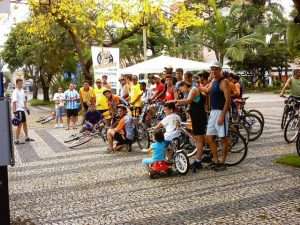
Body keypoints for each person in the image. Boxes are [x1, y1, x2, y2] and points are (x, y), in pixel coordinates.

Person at [174, 81, 207, 172]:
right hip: (196, 117)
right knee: (198, 139)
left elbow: (188, 101)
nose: (181, 91)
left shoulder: (193, 89)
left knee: (199, 140)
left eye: (180, 89)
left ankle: (198, 161)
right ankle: (200, 158)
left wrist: (175, 101)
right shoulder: (191, 90)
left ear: (184, 85)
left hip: (198, 117)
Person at [206, 62, 231, 171]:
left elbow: (228, 100)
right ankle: (215, 159)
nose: (213, 71)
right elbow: (207, 91)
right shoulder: (213, 81)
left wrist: (222, 115)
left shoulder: (224, 82)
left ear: (220, 69)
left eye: (215, 69)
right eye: (212, 69)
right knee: (209, 137)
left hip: (221, 112)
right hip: (213, 112)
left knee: (223, 138)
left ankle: (223, 161)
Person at [12, 78, 34, 144]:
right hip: (18, 110)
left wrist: (26, 108)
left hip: (22, 110)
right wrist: (14, 112)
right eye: (20, 83)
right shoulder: (15, 91)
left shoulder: (22, 91)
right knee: (19, 125)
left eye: (22, 83)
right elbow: (14, 102)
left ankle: (27, 137)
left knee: (25, 124)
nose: (21, 84)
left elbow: (24, 101)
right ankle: (16, 140)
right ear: (17, 84)